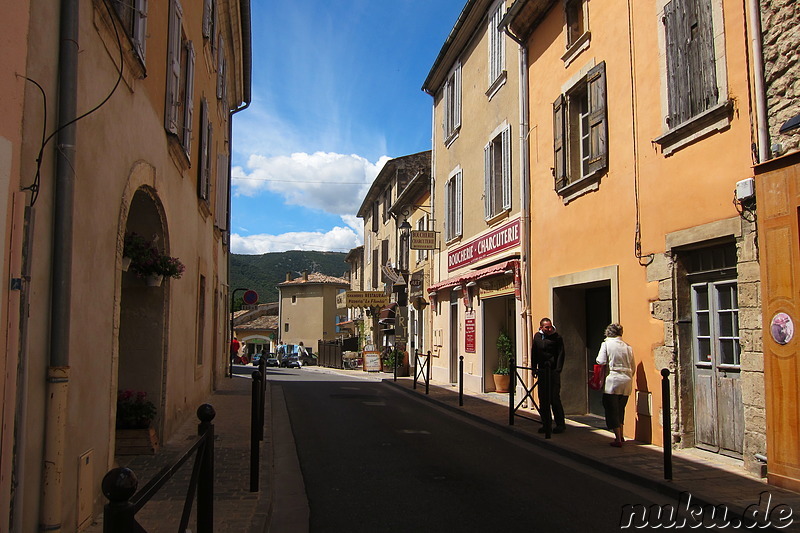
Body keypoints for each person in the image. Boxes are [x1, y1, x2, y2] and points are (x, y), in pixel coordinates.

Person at [596, 323, 635, 447]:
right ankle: (621, 435)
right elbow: (633, 367)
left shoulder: (606, 344)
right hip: (627, 380)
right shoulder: (628, 347)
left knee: (611, 409)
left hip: (612, 380)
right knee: (620, 409)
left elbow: (600, 360)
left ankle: (618, 438)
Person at [532, 318, 566, 434]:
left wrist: (558, 370)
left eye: (550, 327)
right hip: (542, 371)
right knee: (543, 399)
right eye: (547, 327)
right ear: (541, 327)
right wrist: (534, 368)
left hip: (553, 372)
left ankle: (560, 424)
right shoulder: (537, 337)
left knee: (554, 398)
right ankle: (546, 424)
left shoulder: (557, 337)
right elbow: (534, 353)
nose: (549, 329)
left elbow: (561, 354)